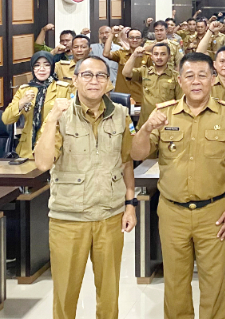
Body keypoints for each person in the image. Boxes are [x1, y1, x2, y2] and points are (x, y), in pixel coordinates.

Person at [130, 53, 225, 319]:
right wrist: (146, 128)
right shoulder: (163, 113)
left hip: (215, 212)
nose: (196, 82)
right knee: (175, 281)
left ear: (213, 79)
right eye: (190, 76)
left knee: (214, 282)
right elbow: (137, 154)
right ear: (180, 80)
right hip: (173, 212)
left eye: (202, 76)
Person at [34, 56, 136, 319]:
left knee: (109, 295)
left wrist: (129, 205)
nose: (94, 81)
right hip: (68, 219)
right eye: (87, 75)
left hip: (110, 216)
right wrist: (52, 118)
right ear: (75, 79)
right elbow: (43, 162)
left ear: (109, 83)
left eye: (100, 76)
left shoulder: (121, 114)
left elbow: (126, 162)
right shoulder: (59, 114)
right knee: (65, 295)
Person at [2, 52, 71, 158]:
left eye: (46, 65)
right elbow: (6, 119)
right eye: (37, 65)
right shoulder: (24, 90)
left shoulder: (63, 89)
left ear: (52, 67)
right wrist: (22, 102)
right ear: (32, 68)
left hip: (54, 148)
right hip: (27, 150)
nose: (41, 69)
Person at [123, 42, 182, 130]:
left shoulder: (176, 77)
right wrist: (134, 55)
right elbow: (126, 73)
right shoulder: (144, 72)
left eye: (163, 54)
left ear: (169, 57)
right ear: (151, 57)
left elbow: (179, 102)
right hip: (145, 123)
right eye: (156, 54)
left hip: (166, 124)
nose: (159, 57)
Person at [104, 27, 150, 105]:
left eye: (137, 38)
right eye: (131, 37)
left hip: (140, 97)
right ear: (127, 39)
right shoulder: (121, 53)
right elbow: (106, 54)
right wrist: (112, 34)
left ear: (142, 40)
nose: (134, 40)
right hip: (121, 96)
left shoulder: (148, 56)